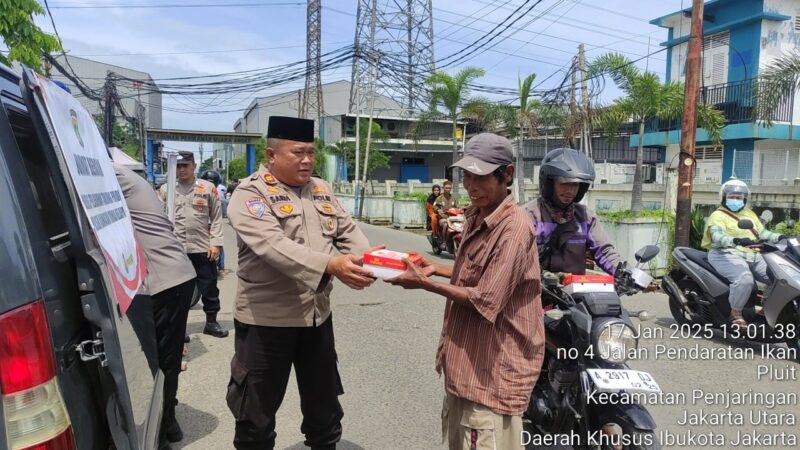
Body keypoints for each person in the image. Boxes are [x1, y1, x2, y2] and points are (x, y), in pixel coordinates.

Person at [226, 116, 377, 450]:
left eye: (311, 152)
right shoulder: (250, 194)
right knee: (256, 419)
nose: (307, 160)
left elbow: (348, 230)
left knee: (325, 413)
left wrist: (374, 261)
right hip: (266, 323)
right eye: (298, 153)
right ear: (271, 154)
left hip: (316, 319)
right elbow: (273, 247)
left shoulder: (321, 189)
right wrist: (332, 264)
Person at [387, 133, 544, 450]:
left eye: (481, 177)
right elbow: (474, 271)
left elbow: (487, 298)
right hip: (467, 366)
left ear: (507, 174)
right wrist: (435, 268)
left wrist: (424, 283)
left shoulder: (513, 228)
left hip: (493, 374)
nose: (471, 185)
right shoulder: (477, 215)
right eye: (467, 176)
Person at [114, 163, 196, 449]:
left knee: (160, 360)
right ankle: (167, 421)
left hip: (165, 279)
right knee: (163, 358)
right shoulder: (125, 176)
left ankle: (161, 430)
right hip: (164, 277)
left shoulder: (108, 173)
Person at [159, 151, 228, 338]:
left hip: (202, 247)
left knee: (209, 287)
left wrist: (216, 244)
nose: (181, 170)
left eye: (185, 166)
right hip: (176, 249)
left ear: (194, 167)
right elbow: (158, 218)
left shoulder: (207, 188)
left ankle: (211, 323)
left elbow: (216, 217)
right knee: (178, 292)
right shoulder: (166, 190)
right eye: (178, 166)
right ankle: (180, 329)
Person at [523, 148, 623, 278]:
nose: (570, 190)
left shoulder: (585, 217)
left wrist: (628, 274)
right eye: (564, 183)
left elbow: (604, 251)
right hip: (535, 294)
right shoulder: (530, 216)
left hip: (574, 294)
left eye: (575, 185)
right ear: (549, 183)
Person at [702, 179, 782, 327]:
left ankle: (765, 311)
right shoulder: (718, 215)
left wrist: (781, 237)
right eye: (732, 196)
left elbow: (762, 233)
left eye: (739, 197)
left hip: (753, 255)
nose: (736, 200)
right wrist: (736, 241)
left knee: (780, 277)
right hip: (725, 254)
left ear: (744, 199)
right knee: (745, 279)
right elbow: (717, 236)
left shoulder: (749, 213)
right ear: (724, 197)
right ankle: (735, 313)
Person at [433, 180, 457, 245]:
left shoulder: (453, 198)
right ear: (443, 188)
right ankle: (444, 241)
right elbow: (434, 207)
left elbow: (458, 207)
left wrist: (458, 209)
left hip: (452, 218)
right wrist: (438, 210)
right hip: (443, 218)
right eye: (446, 188)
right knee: (446, 225)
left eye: (449, 188)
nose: (448, 189)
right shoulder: (439, 198)